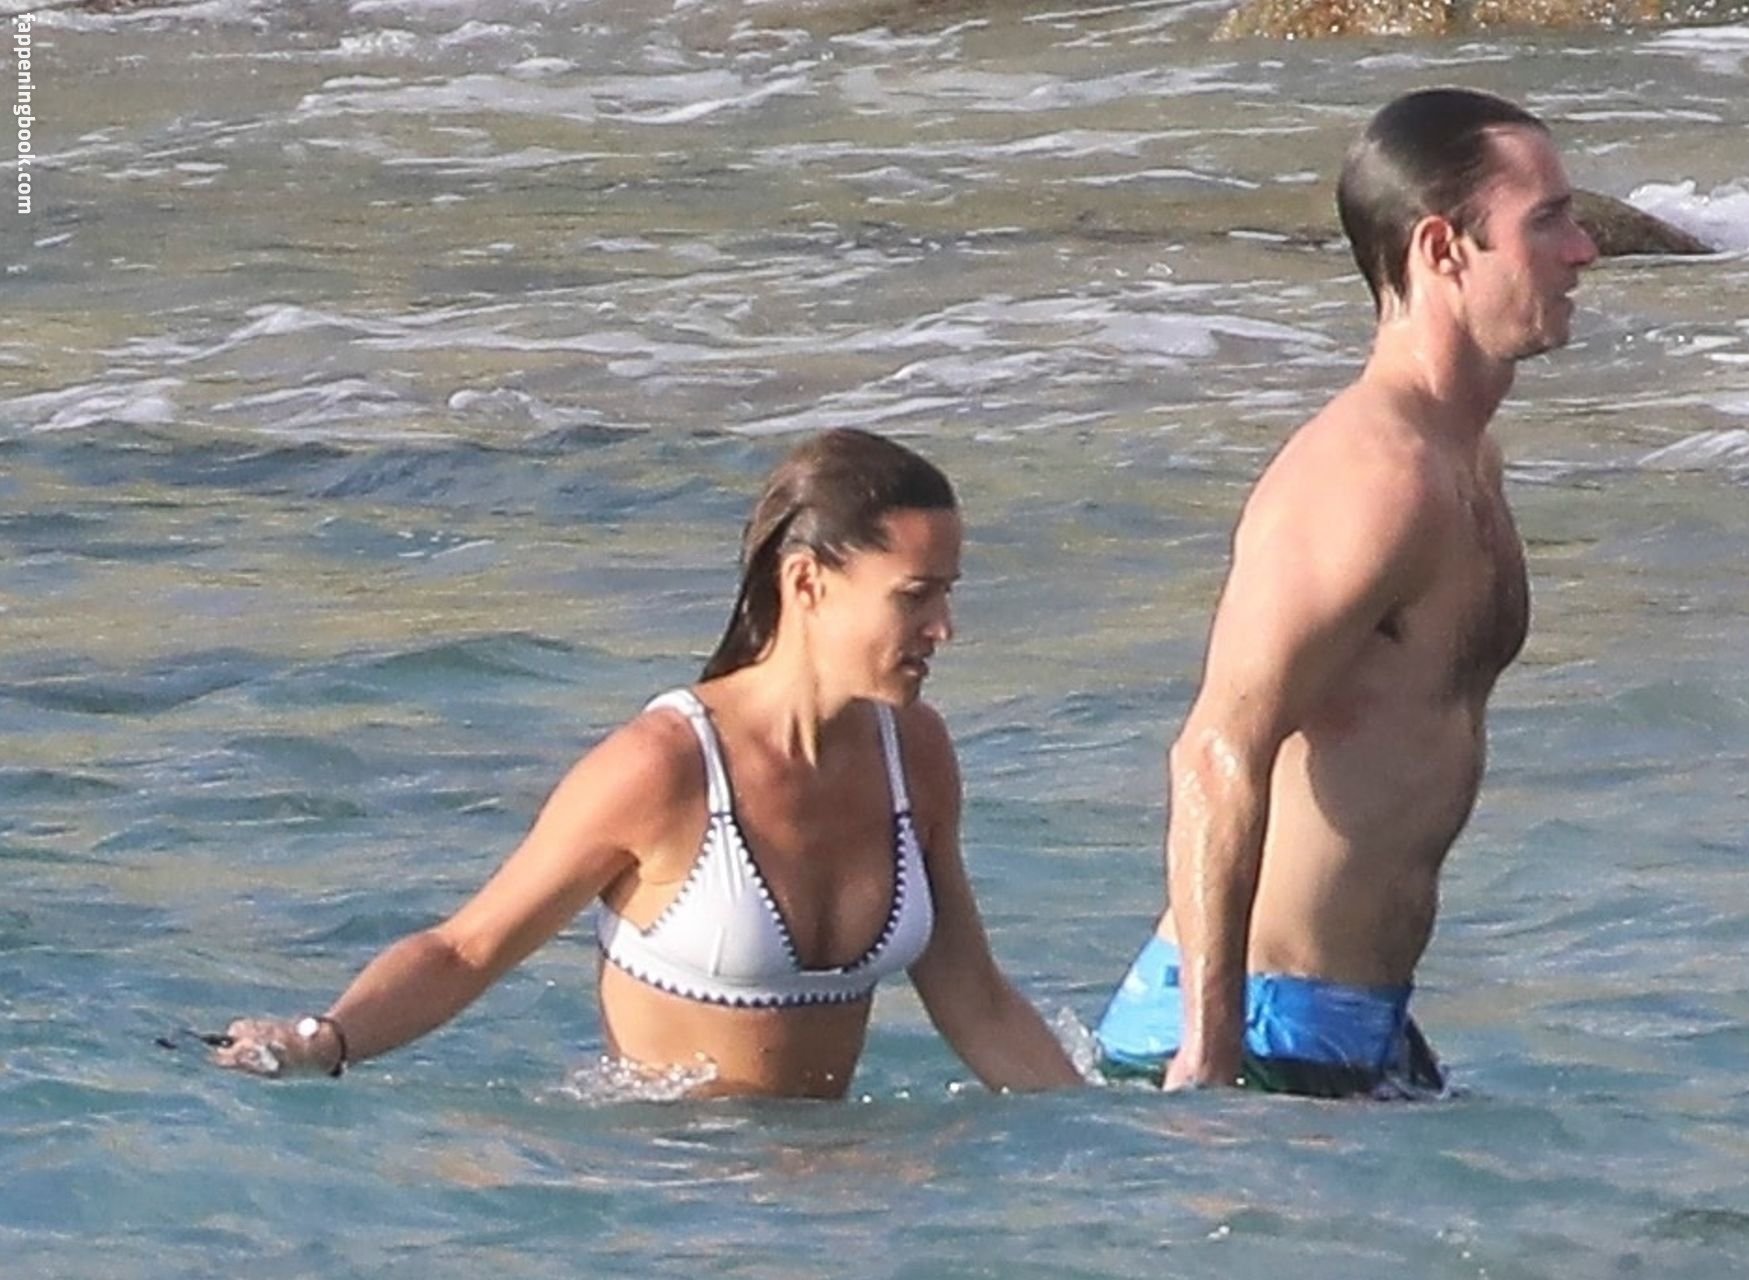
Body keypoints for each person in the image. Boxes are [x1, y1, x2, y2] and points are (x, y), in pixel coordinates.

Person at [214, 428, 1081, 1099]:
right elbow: (466, 949)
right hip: (663, 1202)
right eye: (915, 597)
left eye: (948, 594)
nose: (944, 629)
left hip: (838, 1208)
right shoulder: (663, 768)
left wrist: (1110, 1151)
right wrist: (323, 1041)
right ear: (807, 585)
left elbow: (977, 1001)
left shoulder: (915, 755)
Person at [1093, 87, 1599, 1097]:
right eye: (1546, 221)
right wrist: (1210, 1059)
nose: (1584, 249)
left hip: (1358, 1025)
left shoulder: (1466, 457)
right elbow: (1215, 750)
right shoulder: (1370, 478)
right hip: (1255, 1035)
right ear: (1442, 249)